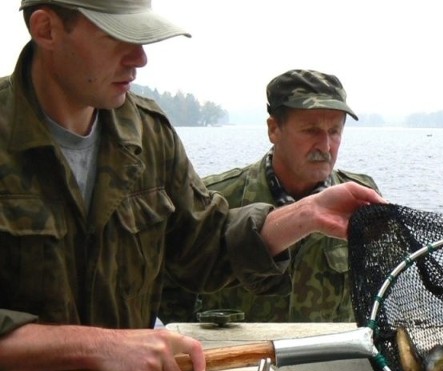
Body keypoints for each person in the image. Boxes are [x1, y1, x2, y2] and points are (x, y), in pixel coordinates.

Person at [0, 2, 385, 371]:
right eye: (117, 37)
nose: (140, 58)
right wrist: (100, 346)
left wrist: (306, 214)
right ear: (47, 28)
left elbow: (206, 249)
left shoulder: (149, 135)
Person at [159, 69, 380, 324]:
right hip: (238, 361)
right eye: (311, 131)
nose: (325, 146)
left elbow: (380, 289)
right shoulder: (216, 199)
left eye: (334, 131)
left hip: (332, 361)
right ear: (274, 129)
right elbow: (169, 287)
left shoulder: (363, 201)